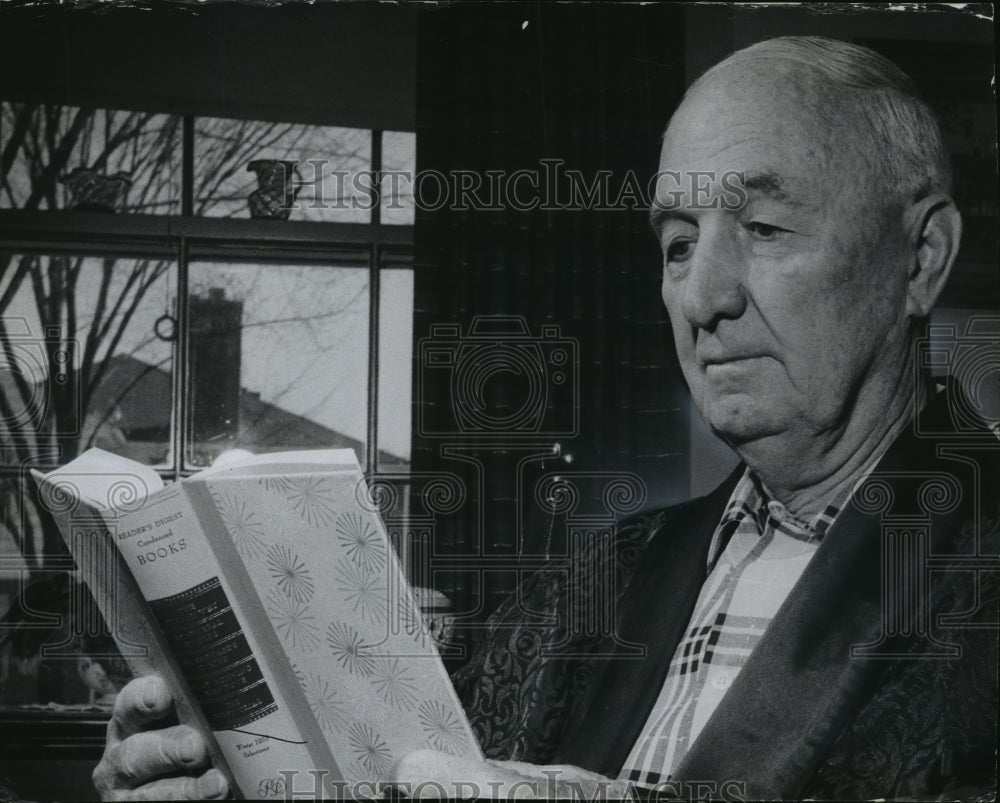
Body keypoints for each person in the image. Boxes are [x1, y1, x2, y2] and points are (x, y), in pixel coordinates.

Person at [92, 36, 998, 801]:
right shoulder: (589, 577)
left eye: (763, 228)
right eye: (677, 244)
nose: (703, 296)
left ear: (921, 258)